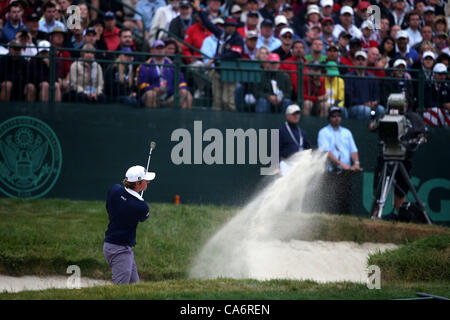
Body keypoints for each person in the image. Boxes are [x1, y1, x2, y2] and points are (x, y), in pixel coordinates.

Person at [103, 165, 155, 285]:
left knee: (134, 286)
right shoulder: (141, 206)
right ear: (138, 183)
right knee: (120, 290)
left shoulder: (115, 190)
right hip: (120, 250)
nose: (148, 181)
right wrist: (137, 201)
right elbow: (144, 218)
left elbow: (109, 207)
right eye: (145, 180)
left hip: (113, 245)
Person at [318, 106, 361, 214]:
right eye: (333, 116)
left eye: (338, 116)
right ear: (329, 117)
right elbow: (326, 152)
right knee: (329, 203)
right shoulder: (323, 132)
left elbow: (353, 150)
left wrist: (356, 163)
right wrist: (341, 164)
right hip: (330, 172)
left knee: (345, 203)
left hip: (345, 173)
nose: (336, 118)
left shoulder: (347, 132)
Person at [138, 40, 192, 109]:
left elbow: (181, 81)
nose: (160, 51)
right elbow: (142, 84)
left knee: (187, 94)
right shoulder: (145, 66)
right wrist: (153, 89)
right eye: (157, 48)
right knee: (150, 94)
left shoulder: (171, 65)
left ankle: (183, 119)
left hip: (169, 96)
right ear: (152, 50)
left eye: (162, 48)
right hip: (153, 95)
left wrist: (182, 88)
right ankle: (152, 119)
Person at [345, 50, 385, 120]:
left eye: (363, 59)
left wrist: (375, 103)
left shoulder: (372, 77)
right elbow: (349, 99)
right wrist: (364, 103)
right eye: (358, 59)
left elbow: (377, 96)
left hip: (371, 109)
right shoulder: (348, 77)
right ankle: (362, 130)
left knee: (381, 109)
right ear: (354, 62)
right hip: (353, 109)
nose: (360, 62)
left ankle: (375, 128)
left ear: (366, 62)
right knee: (365, 110)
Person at [278, 104, 312, 176]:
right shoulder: (280, 131)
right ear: (287, 116)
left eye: (298, 114)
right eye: (293, 114)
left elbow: (309, 149)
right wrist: (278, 168)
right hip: (285, 164)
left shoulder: (302, 132)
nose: (296, 116)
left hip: (299, 166)